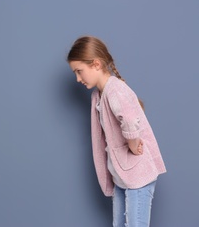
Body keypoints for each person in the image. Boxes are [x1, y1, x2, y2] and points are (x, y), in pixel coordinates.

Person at [67, 36, 166, 227]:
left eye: (79, 71)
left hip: (137, 176)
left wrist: (133, 144)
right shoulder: (99, 94)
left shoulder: (115, 90)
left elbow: (129, 120)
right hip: (121, 176)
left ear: (96, 64)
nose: (78, 78)